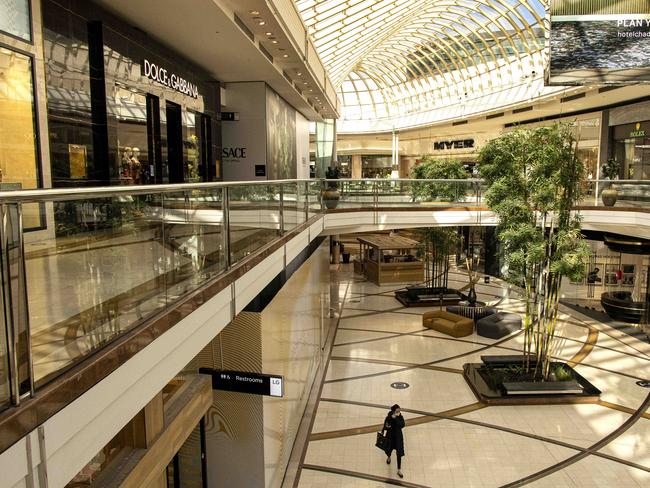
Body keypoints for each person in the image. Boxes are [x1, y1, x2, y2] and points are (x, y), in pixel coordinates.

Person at [383, 404, 405, 478]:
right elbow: (385, 426)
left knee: (399, 453)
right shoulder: (389, 417)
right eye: (397, 411)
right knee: (389, 449)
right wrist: (387, 425)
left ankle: (399, 470)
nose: (399, 412)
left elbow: (402, 425)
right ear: (393, 411)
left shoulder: (400, 417)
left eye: (399, 410)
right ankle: (389, 457)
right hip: (390, 437)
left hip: (398, 438)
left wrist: (396, 418)